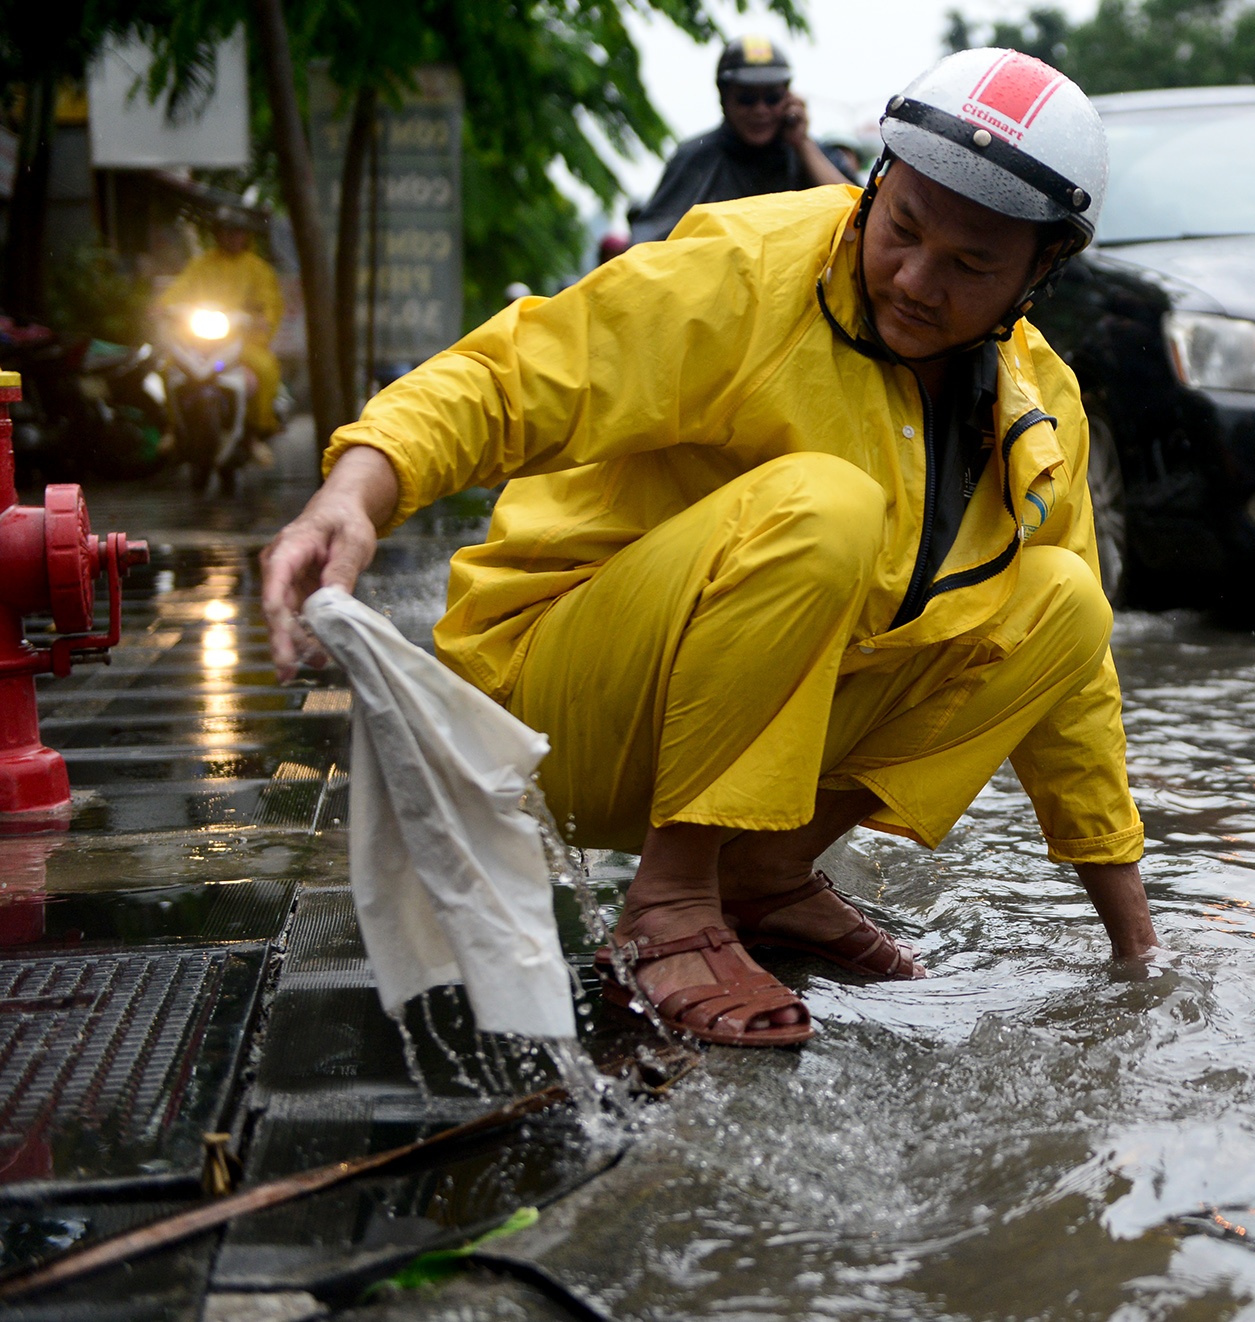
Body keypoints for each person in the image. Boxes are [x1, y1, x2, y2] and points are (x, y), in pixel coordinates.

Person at [260, 48, 1155, 1050]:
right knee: (827, 504)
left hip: (723, 736)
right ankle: (673, 902)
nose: (914, 278)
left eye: (971, 265)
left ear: (1039, 274)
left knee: (1066, 599)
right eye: (901, 229)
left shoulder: (1042, 407)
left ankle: (764, 876)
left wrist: (1137, 955)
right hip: (553, 703)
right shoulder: (748, 269)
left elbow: (1074, 693)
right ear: (873, 187)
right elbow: (515, 376)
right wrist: (355, 489)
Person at [626, 35, 854, 244]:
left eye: (772, 98)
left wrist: (802, 143)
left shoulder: (810, 152)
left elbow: (858, 217)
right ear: (724, 99)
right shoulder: (696, 157)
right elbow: (649, 243)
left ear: (788, 97)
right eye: (746, 99)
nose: (760, 110)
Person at [158, 207, 283, 436]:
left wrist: (263, 320)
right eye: (226, 232)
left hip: (242, 342)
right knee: (168, 369)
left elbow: (269, 302)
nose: (232, 237)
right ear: (217, 234)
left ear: (246, 236)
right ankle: (173, 428)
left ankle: (257, 431)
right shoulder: (201, 264)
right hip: (199, 341)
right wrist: (162, 306)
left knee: (265, 369)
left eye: (237, 232)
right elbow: (179, 288)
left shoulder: (258, 269)